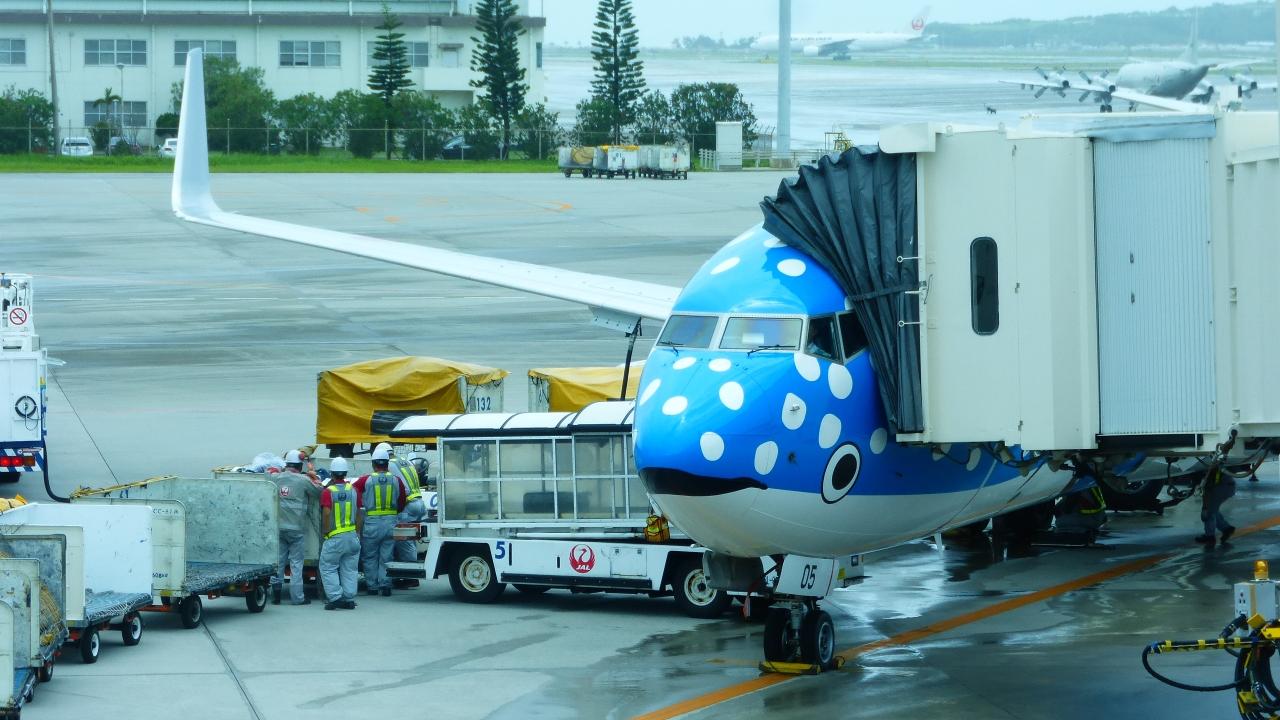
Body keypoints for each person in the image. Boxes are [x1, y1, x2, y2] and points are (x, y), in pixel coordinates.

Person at [354, 445, 406, 596]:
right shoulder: (396, 480)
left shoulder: (365, 480)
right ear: (387, 463)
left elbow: (352, 491)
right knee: (387, 556)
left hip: (372, 523)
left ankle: (372, 586)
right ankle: (385, 585)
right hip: (390, 522)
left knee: (369, 556)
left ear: (373, 463)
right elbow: (402, 501)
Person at [272, 449, 321, 605]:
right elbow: (319, 492)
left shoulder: (276, 478)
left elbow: (267, 475)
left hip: (279, 529)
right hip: (296, 530)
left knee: (279, 563)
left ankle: (276, 595)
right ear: (300, 466)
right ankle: (297, 598)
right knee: (296, 565)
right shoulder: (303, 480)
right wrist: (314, 476)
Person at [319, 457, 360, 610]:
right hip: (352, 536)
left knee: (328, 567)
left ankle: (335, 597)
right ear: (345, 473)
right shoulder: (353, 490)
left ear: (332, 474)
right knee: (350, 569)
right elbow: (359, 513)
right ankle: (349, 598)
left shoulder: (328, 492)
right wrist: (357, 533)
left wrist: (325, 531)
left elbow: (326, 513)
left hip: (335, 537)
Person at [1196, 462, 1237, 547]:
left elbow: (1208, 491)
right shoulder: (1207, 466)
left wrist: (1205, 508)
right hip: (1228, 486)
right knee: (1213, 509)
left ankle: (1210, 536)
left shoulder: (1204, 472)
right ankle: (1226, 528)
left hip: (1221, 487)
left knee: (1209, 512)